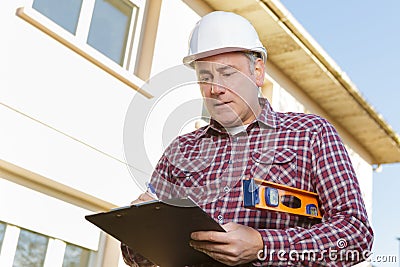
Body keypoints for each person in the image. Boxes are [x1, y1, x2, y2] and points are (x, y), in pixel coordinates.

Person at [121, 11, 373, 266]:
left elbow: (356, 234)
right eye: (205, 78)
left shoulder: (311, 134)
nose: (215, 88)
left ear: (258, 71)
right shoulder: (180, 150)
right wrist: (142, 224)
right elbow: (135, 257)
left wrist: (264, 246)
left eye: (228, 73)